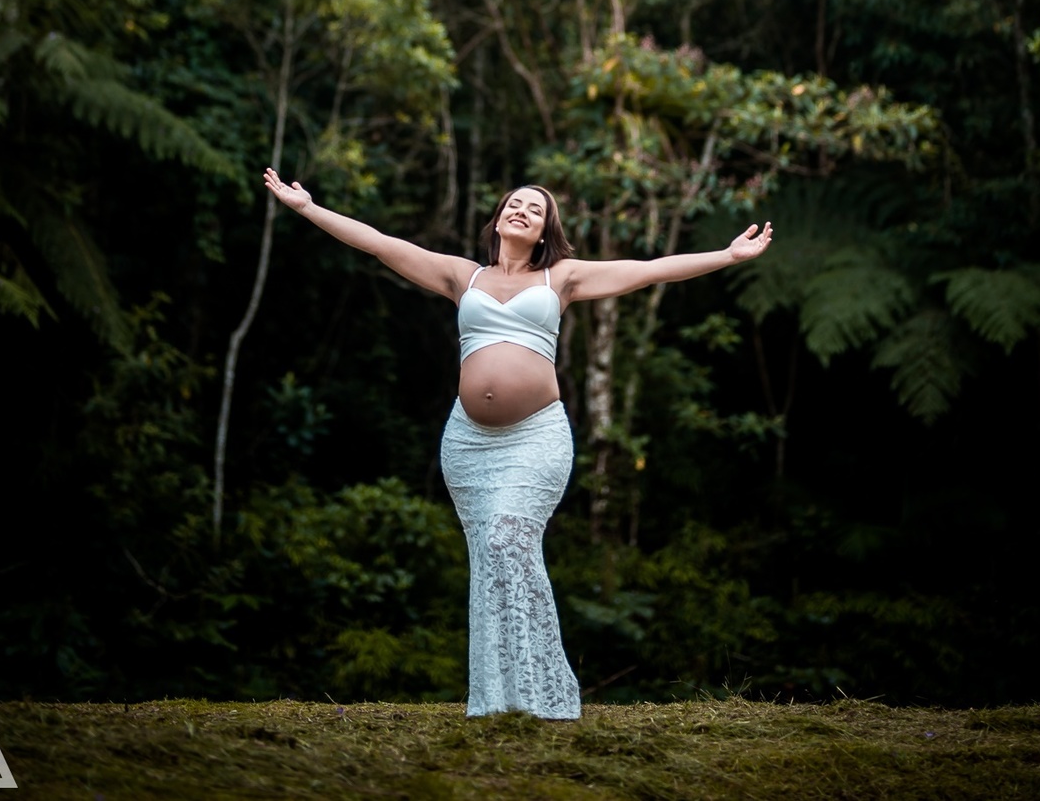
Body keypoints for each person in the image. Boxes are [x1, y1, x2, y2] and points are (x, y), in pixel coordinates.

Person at [262, 168, 773, 718]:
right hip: (468, 443)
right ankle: (498, 702)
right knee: (490, 559)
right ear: (499, 218)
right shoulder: (464, 277)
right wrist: (308, 208)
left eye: (535, 207)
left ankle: (542, 694)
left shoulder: (563, 278)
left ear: (547, 228)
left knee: (509, 542)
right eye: (514, 203)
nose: (522, 210)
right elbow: (382, 244)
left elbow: (648, 271)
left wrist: (726, 256)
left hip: (535, 439)